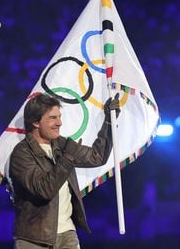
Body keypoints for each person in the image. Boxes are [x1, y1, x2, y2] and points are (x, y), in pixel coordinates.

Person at [9, 93, 120, 249]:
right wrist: (67, 159)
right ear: (35, 122)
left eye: (59, 117)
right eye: (52, 118)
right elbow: (45, 190)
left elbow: (97, 157)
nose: (59, 123)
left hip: (67, 234)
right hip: (33, 239)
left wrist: (109, 120)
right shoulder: (21, 154)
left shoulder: (61, 144)